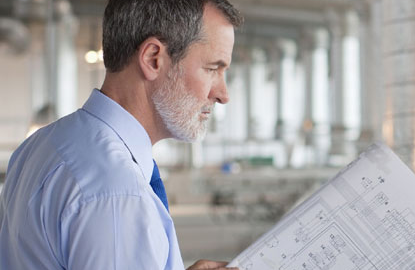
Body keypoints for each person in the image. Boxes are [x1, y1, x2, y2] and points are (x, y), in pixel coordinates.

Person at [0, 0, 243, 269]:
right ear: (153, 59)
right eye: (212, 69)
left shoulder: (41, 144)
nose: (223, 94)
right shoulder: (117, 194)